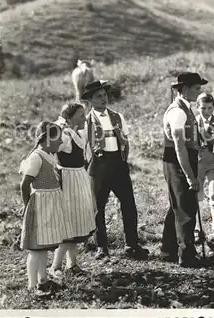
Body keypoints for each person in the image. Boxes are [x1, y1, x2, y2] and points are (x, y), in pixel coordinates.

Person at [82, 80, 149, 261]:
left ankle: (132, 244)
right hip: (98, 165)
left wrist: (123, 160)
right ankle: (101, 247)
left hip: (118, 164)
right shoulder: (86, 120)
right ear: (90, 100)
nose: (103, 99)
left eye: (105, 95)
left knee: (128, 204)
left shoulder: (118, 116)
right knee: (98, 208)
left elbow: (125, 139)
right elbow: (83, 146)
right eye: (98, 97)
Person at [160, 72, 207, 267]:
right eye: (197, 88)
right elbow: (179, 147)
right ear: (185, 88)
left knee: (177, 205)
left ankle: (167, 249)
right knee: (186, 207)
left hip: (185, 158)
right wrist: (190, 176)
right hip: (178, 161)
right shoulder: (178, 112)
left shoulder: (186, 109)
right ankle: (186, 254)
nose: (199, 92)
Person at [19, 121, 70, 294]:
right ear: (48, 138)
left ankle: (43, 280)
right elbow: (25, 185)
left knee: (43, 247)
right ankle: (32, 286)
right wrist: (28, 208)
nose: (61, 143)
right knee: (36, 249)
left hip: (49, 206)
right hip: (40, 206)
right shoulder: (36, 157)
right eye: (58, 139)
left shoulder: (48, 155)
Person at [49, 102, 96, 278]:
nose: (85, 118)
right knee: (68, 224)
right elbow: (49, 147)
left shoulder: (78, 134)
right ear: (69, 118)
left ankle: (72, 265)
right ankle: (55, 266)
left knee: (75, 223)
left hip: (79, 178)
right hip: (68, 180)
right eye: (81, 115)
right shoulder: (66, 136)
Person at [195, 92, 214, 249]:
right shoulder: (193, 122)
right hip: (198, 162)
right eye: (203, 108)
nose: (206, 111)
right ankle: (196, 228)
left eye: (209, 108)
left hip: (213, 162)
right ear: (197, 107)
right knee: (196, 194)